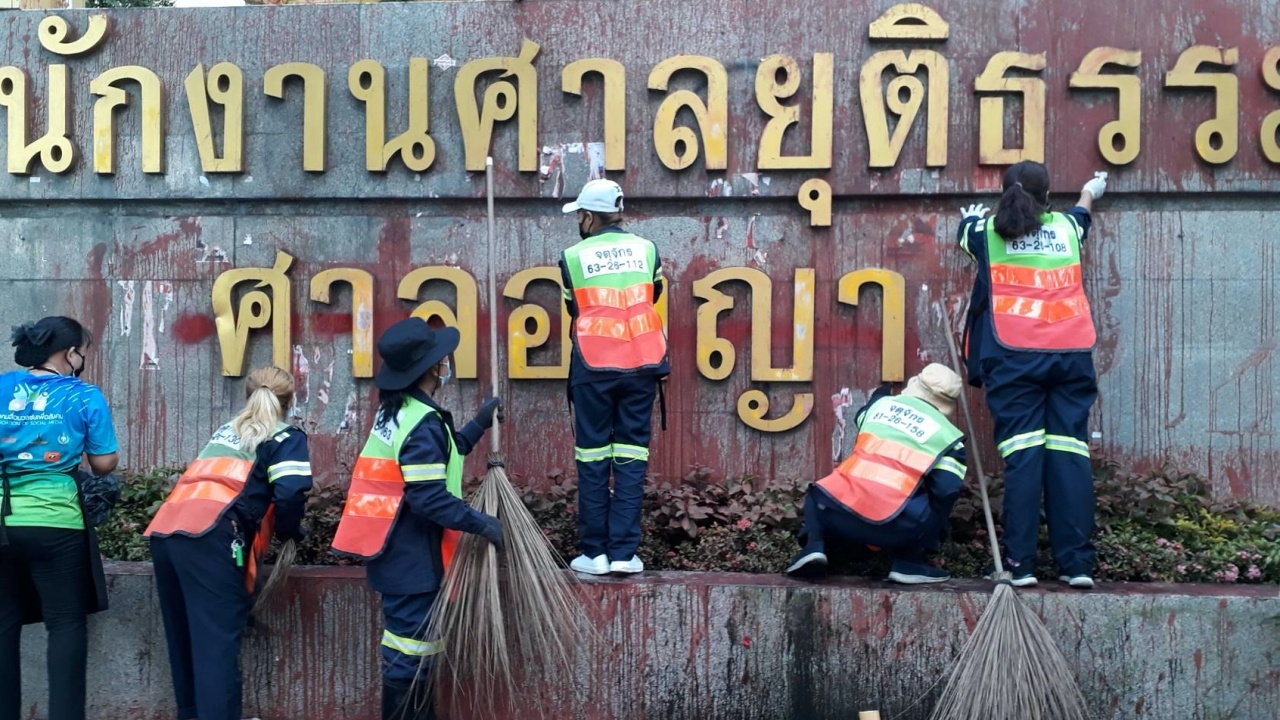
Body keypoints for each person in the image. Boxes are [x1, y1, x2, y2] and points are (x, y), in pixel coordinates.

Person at [332, 318, 504, 720]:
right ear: (431, 368)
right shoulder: (421, 422)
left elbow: (441, 456)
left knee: (412, 650)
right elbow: (428, 498)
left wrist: (479, 423)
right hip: (413, 557)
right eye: (442, 359)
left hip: (395, 550)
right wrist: (484, 525)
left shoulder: (401, 412)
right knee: (410, 653)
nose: (447, 364)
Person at [955, 161, 1108, 589]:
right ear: (1046, 198)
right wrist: (1090, 190)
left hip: (1014, 355)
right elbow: (1082, 216)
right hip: (1070, 354)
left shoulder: (985, 232)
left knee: (1024, 458)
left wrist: (970, 216)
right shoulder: (1064, 228)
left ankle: (1020, 565)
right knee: (1069, 455)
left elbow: (966, 234)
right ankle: (1076, 565)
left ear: (1005, 195)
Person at [144, 366, 312, 720]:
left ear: (247, 396)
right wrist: (291, 531)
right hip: (212, 538)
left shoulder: (226, 432)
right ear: (289, 400)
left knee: (185, 642)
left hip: (167, 532)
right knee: (216, 647)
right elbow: (292, 491)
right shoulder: (285, 436)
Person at [0, 317, 119, 720]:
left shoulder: (1, 386)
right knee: (65, 623)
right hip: (56, 523)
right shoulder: (84, 395)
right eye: (80, 351)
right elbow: (104, 464)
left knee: (2, 625)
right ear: (69, 353)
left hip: (1, 521)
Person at [558, 179, 669, 576]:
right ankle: (624, 553)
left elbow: (575, 308)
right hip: (642, 363)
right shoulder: (647, 249)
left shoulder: (572, 256)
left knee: (592, 458)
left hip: (594, 366)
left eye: (580, 216)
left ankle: (595, 553)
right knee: (631, 458)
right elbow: (652, 294)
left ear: (588, 216)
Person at [786, 364, 968, 584]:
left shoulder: (879, 407)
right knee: (939, 504)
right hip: (899, 528)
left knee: (818, 492)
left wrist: (881, 392)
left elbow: (862, 415)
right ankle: (910, 563)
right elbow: (945, 490)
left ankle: (814, 547)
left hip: (838, 513)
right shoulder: (949, 438)